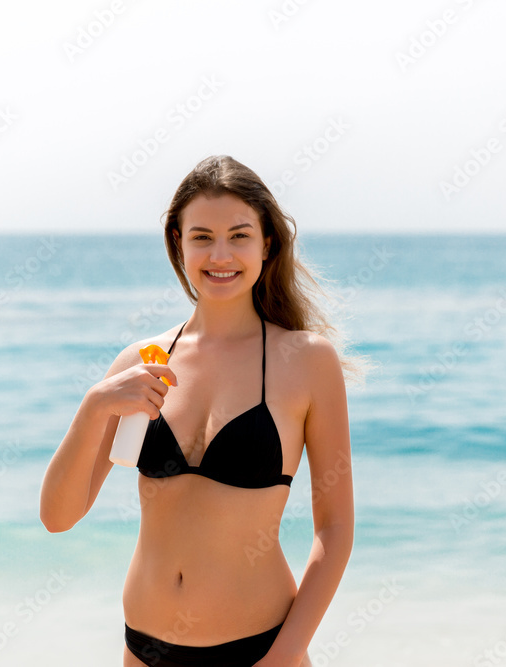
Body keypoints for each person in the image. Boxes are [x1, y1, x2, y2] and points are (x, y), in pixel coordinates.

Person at [40, 155, 356, 666]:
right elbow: (57, 516)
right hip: (145, 650)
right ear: (178, 243)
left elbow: (335, 528)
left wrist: (287, 652)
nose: (221, 254)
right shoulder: (144, 362)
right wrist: (95, 405)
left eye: (239, 235)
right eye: (202, 236)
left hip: (260, 651)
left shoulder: (306, 361)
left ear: (267, 243)